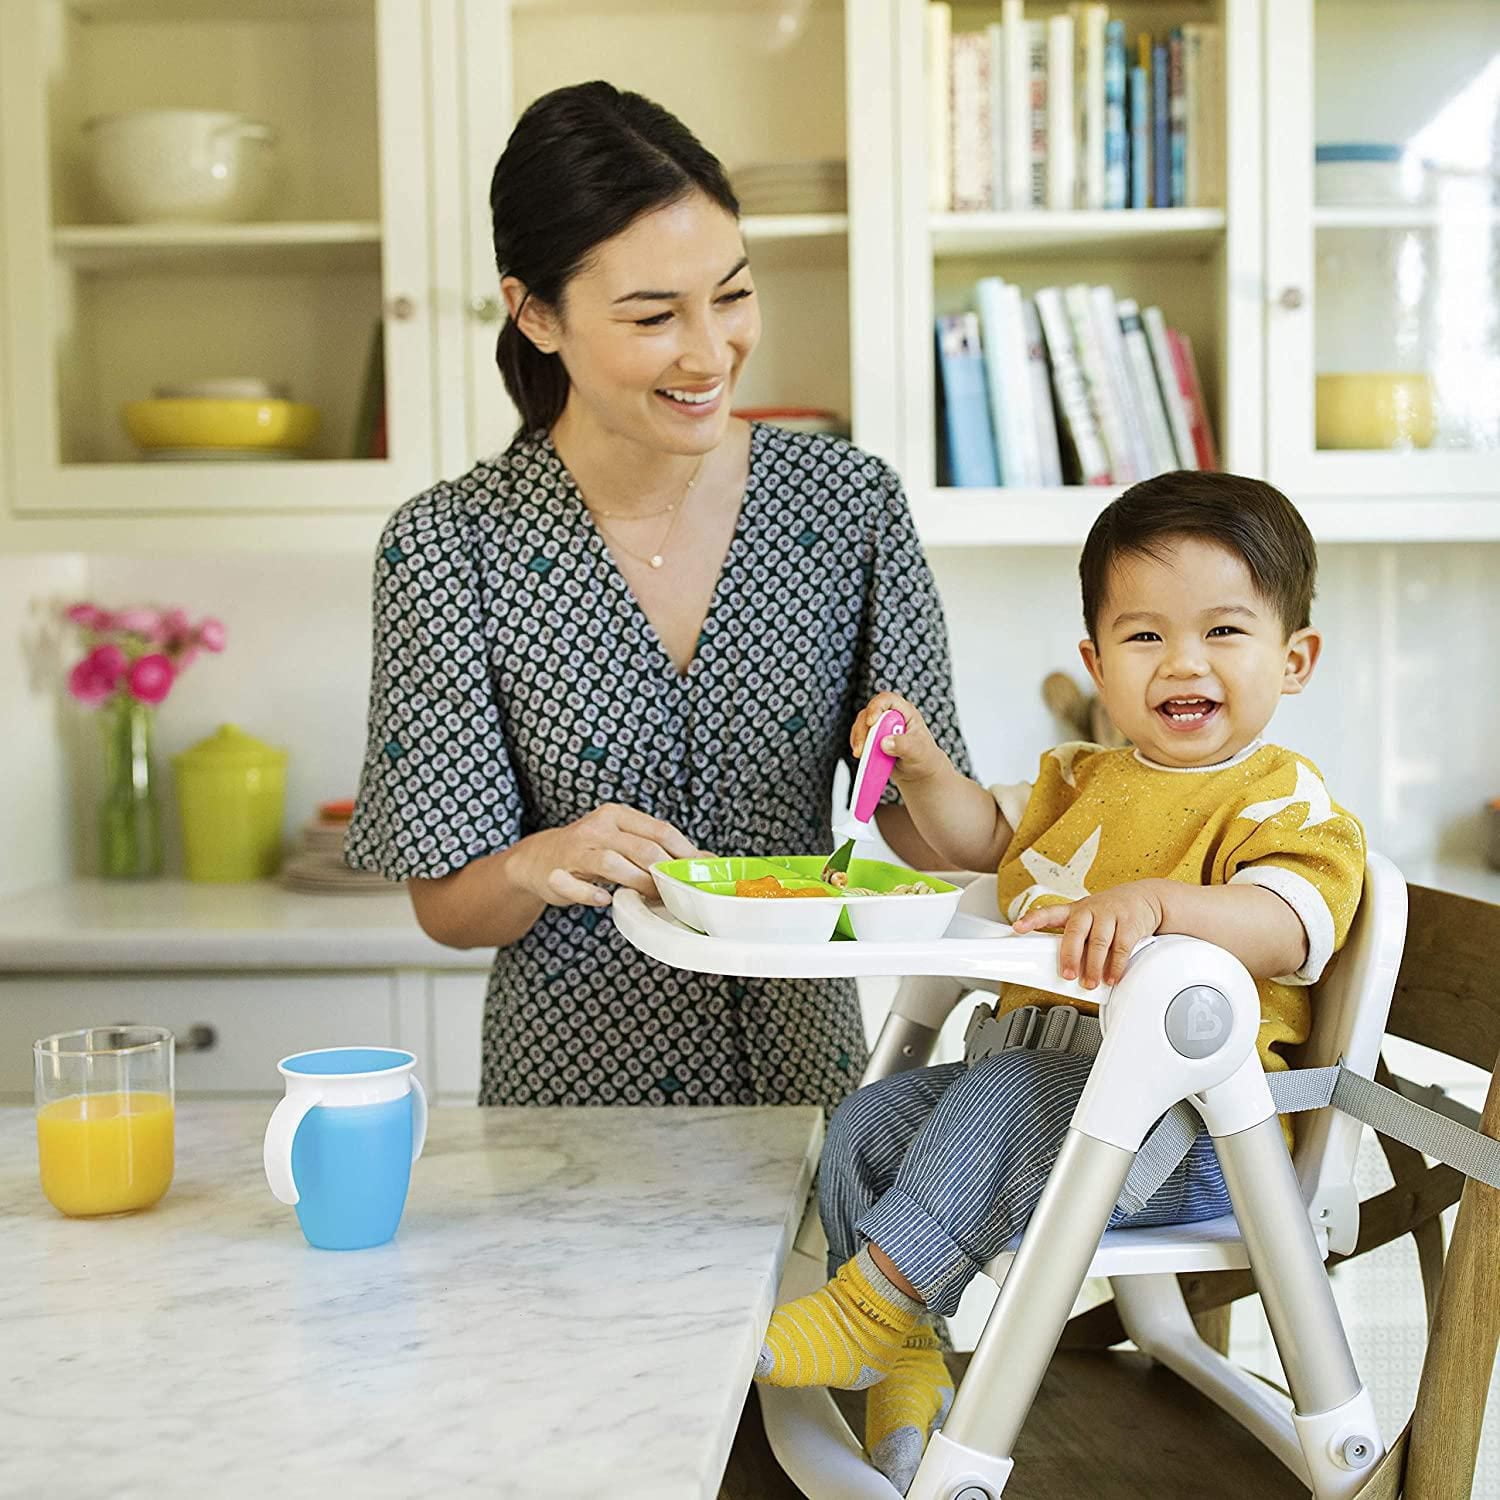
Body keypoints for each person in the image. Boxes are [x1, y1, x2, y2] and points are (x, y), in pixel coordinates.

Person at [345, 81, 970, 1110]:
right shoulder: (448, 546)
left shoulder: (848, 506)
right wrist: (539, 860)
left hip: (803, 1084)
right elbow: (449, 907)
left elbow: (926, 845)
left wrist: (925, 773)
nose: (708, 351)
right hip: (572, 1103)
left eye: (730, 294)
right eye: (652, 315)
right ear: (536, 313)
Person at [754, 471, 1367, 1493]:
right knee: (868, 1119)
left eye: (1224, 632)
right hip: (1052, 1106)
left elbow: (1288, 923)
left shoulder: (1285, 798)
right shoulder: (1078, 780)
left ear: (1294, 658)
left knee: (991, 1098)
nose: (1184, 662)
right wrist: (923, 773)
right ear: (1094, 660)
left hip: (1190, 1138)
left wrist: (1161, 905)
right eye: (1144, 637)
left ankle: (867, 1311)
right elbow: (979, 845)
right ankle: (906, 1351)